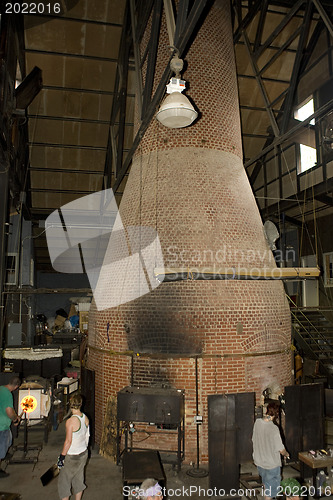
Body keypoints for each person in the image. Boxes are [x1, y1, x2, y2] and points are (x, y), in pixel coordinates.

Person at [252, 401, 290, 500]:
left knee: (266, 484)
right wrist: (286, 454)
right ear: (277, 414)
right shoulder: (274, 429)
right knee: (271, 493)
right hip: (272, 465)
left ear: (267, 410)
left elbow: (253, 439)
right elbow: (281, 450)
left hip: (259, 462)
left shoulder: (257, 423)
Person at [57, 393, 89, 500]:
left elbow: (68, 441)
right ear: (80, 404)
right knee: (78, 479)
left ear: (70, 405)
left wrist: (62, 457)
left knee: (64, 483)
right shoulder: (85, 418)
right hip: (83, 453)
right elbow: (87, 437)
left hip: (72, 456)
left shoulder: (70, 422)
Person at [0, 376, 21, 478]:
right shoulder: (8, 394)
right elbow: (9, 411)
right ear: (16, 386)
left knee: (8, 441)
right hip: (1, 426)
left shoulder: (1, 389)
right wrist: (15, 419)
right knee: (1, 448)